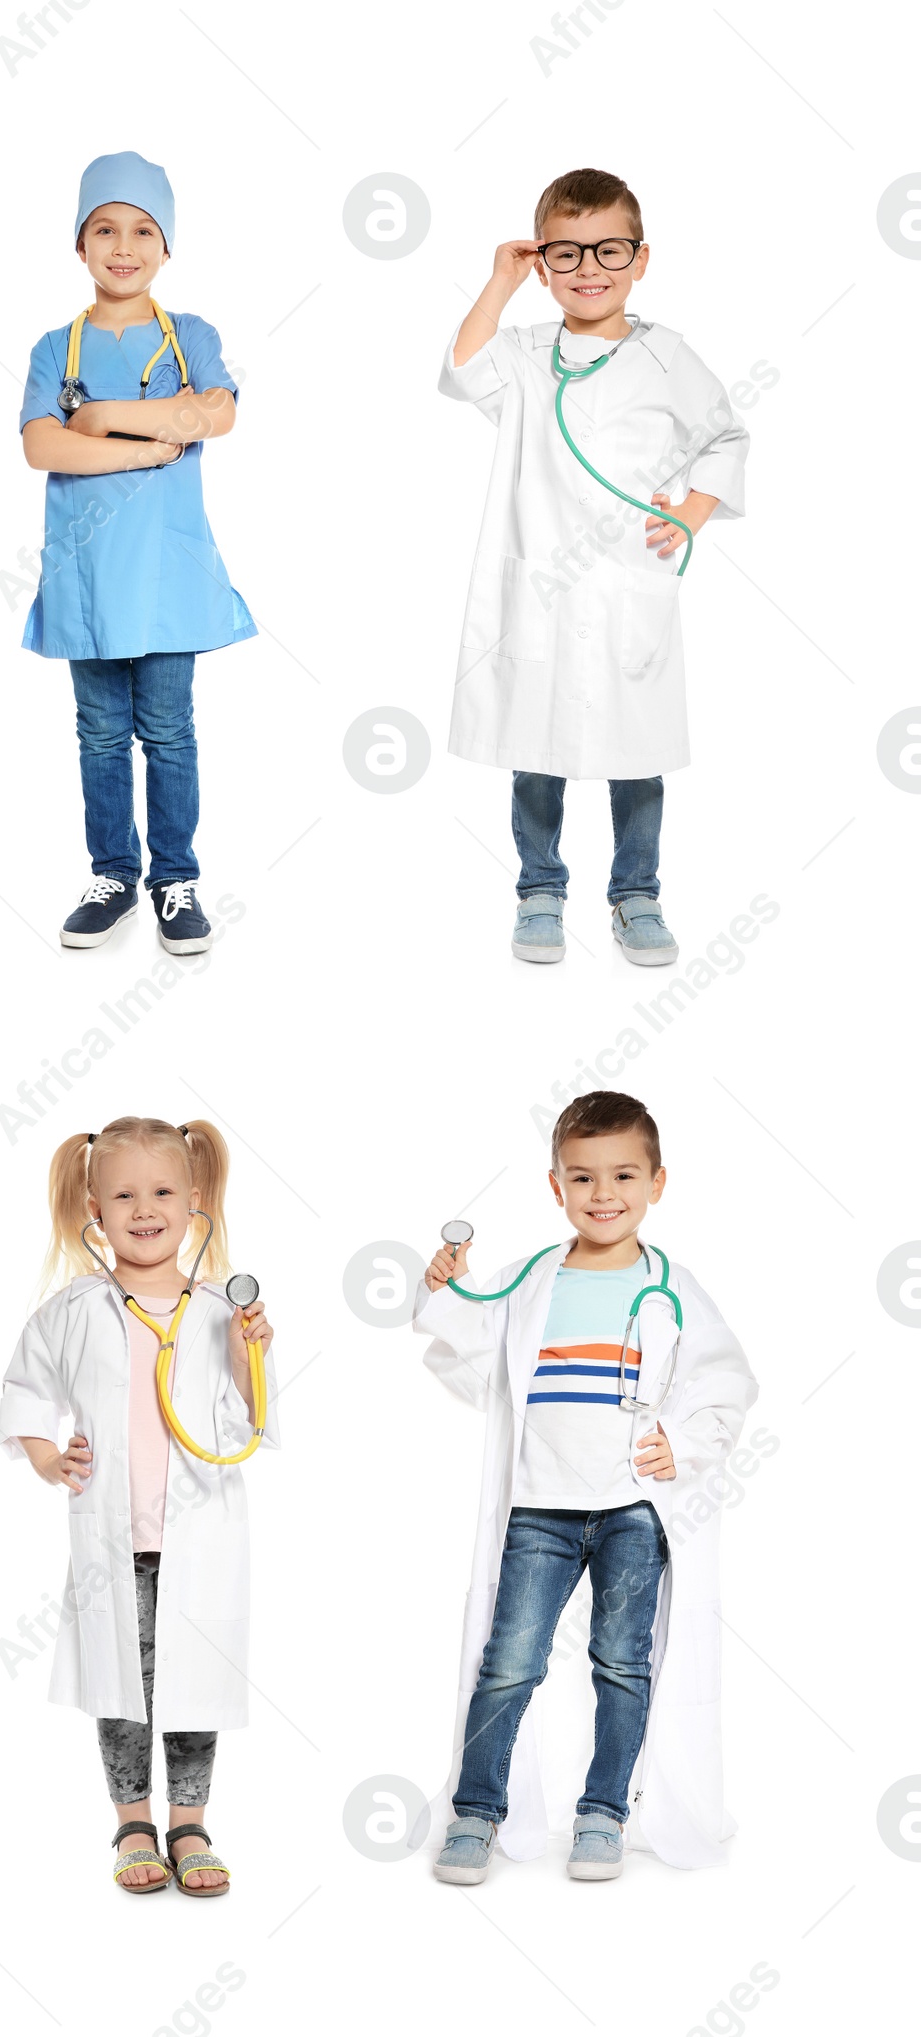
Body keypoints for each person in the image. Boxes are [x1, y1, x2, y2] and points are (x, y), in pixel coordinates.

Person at [415, 1090, 757, 1880]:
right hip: (539, 1508)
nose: (603, 1195)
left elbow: (727, 1377)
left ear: (657, 1183)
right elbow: (469, 1352)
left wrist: (682, 1439)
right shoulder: (532, 1276)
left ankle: (603, 1813)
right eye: (583, 1178)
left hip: (634, 1509)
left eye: (623, 1175)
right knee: (510, 1661)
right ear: (555, 1186)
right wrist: (445, 1288)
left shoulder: (675, 1282)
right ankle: (476, 1811)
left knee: (621, 1663)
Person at [441, 167, 751, 966]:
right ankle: (539, 890)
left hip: (626, 589)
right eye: (566, 252)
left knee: (636, 756)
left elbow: (725, 437)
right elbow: (460, 369)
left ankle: (635, 894)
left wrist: (691, 515)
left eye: (609, 250)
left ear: (641, 259)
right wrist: (499, 282)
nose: (589, 268)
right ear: (542, 262)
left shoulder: (667, 356)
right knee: (534, 752)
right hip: (540, 582)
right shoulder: (522, 350)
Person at [0, 1117, 277, 1894]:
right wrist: (47, 1456)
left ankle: (190, 1824)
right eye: (124, 1194)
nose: (144, 1208)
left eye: (162, 1191)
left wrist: (250, 1350)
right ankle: (133, 1820)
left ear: (196, 1200)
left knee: (195, 1681)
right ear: (94, 1205)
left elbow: (255, 1415)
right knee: (126, 1681)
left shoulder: (224, 1307)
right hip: (114, 1535)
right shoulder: (76, 1306)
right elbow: (25, 1386)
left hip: (205, 1530)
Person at [20, 153, 254, 954]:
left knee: (169, 730)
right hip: (86, 575)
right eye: (105, 230)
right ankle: (114, 875)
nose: (124, 245)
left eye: (143, 230)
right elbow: (40, 445)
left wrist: (101, 420)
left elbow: (215, 418)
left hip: (166, 576)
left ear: (167, 246)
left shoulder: (192, 338)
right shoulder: (57, 347)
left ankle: (175, 879)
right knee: (97, 732)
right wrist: (144, 444)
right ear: (79, 246)